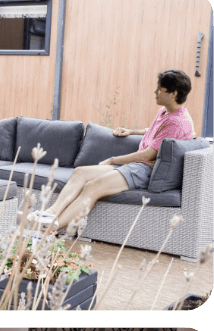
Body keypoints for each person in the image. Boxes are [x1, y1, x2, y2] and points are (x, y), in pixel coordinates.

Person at [37, 69, 196, 233]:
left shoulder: (177, 122)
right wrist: (131, 131)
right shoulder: (166, 111)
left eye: (159, 89)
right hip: (137, 166)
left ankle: (50, 229)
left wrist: (113, 159)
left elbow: (148, 155)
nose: (155, 92)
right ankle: (50, 214)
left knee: (92, 187)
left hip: (145, 169)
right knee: (80, 172)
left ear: (173, 93)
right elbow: (157, 132)